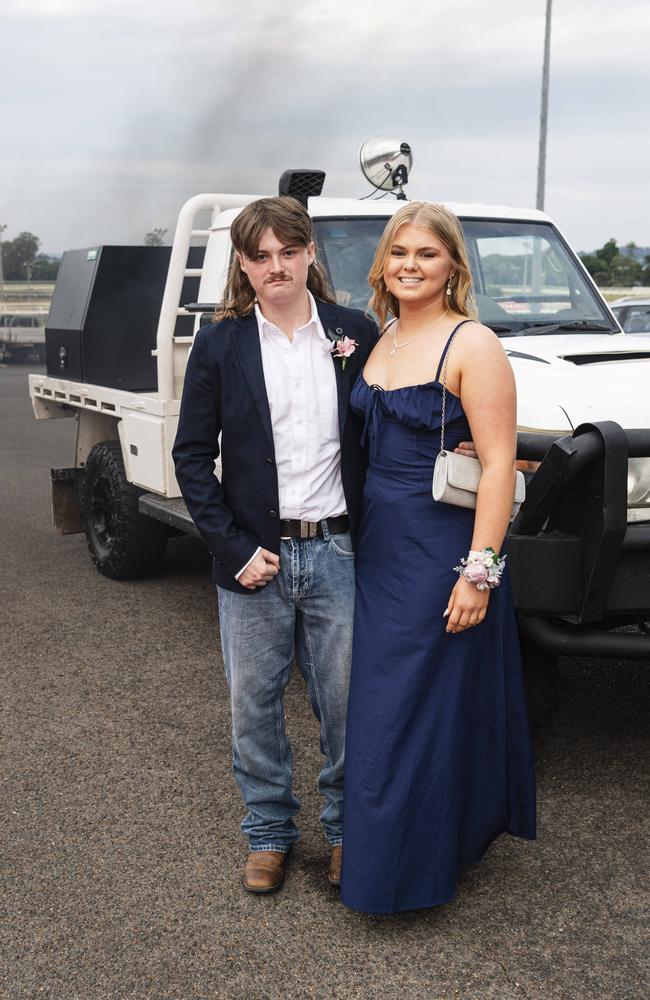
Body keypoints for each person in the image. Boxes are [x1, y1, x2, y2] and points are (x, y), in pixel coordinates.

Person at [172, 196, 378, 894]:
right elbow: (192, 458)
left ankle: (351, 830)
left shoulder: (356, 334)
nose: (276, 266)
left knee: (346, 703)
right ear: (242, 265)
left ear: (310, 253)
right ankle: (268, 833)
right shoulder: (219, 343)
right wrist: (231, 548)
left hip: (338, 552)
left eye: (288, 252)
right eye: (260, 256)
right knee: (252, 705)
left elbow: (391, 431)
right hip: (253, 558)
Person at [341, 202, 536, 914]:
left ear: (453, 264)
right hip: (379, 549)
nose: (410, 266)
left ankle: (400, 874)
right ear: (382, 263)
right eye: (399, 252)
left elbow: (497, 467)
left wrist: (479, 573)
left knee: (410, 712)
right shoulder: (383, 336)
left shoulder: (473, 344)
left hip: (441, 554)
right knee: (384, 708)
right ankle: (391, 853)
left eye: (427, 253)